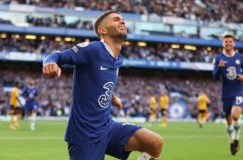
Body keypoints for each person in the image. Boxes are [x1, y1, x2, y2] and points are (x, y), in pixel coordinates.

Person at [43, 10, 163, 160]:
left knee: (154, 142)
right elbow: (57, 56)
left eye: (123, 20)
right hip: (85, 134)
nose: (122, 22)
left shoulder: (118, 59)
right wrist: (49, 63)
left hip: (107, 126)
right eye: (116, 19)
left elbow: (99, 81)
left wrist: (112, 96)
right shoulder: (92, 49)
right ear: (102, 30)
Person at [213, 33, 243, 156]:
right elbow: (215, 77)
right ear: (223, 43)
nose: (228, 43)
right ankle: (231, 141)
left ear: (234, 43)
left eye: (230, 41)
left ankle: (237, 138)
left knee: (235, 116)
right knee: (229, 122)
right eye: (226, 41)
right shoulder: (218, 58)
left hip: (238, 91)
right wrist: (219, 67)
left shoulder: (240, 57)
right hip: (226, 94)